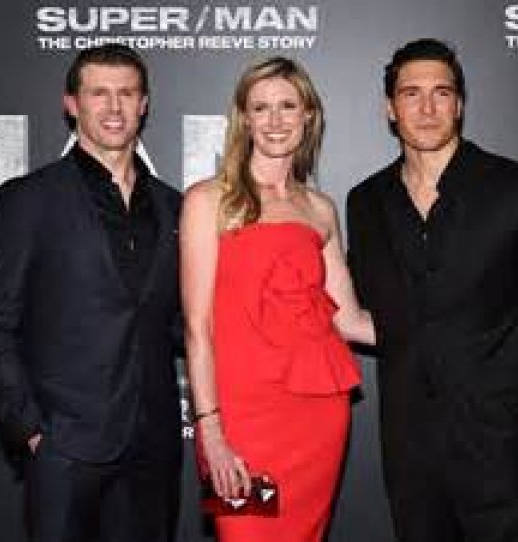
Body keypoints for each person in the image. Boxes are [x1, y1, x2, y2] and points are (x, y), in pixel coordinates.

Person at [347, 38, 518, 542]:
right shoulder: (366, 201)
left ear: (459, 104)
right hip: (409, 446)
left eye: (442, 93)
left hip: (501, 443)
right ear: (390, 108)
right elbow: (365, 305)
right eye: (411, 94)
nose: (427, 108)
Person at [0, 44, 182, 542]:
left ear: (144, 104)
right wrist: (32, 429)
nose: (114, 107)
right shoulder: (29, 198)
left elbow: (178, 322)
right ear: (71, 104)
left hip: (153, 446)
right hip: (65, 446)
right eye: (98, 93)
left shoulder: (173, 205)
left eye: (126, 93)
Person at [180, 56, 374, 542]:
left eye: (287, 106)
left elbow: (350, 320)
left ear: (308, 115)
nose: (275, 120)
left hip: (317, 414)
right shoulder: (209, 200)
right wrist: (211, 431)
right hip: (240, 419)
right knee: (245, 533)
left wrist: (448, 323)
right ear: (244, 119)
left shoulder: (320, 209)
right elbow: (198, 327)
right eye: (260, 107)